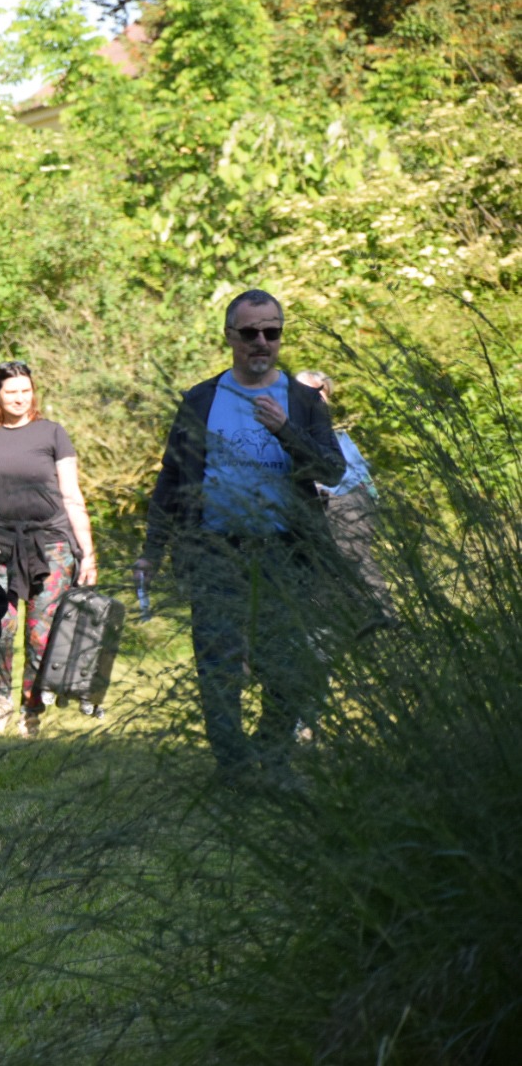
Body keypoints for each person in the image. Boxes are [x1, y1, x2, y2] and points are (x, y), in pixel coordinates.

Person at [134, 290, 344, 786]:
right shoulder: (201, 399)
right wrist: (151, 552)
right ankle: (234, 766)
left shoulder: (302, 402)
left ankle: (272, 757)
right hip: (215, 549)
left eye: (272, 332)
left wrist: (287, 431)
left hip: (285, 553)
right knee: (218, 664)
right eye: (250, 332)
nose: (261, 341)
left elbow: (333, 471)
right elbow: (172, 478)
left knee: (287, 667)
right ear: (230, 336)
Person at [0, 361, 98, 738]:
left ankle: (30, 710)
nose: (20, 398)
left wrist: (88, 552)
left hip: (51, 544)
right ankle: (0, 702)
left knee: (40, 633)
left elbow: (71, 494)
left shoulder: (53, 433)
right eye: (12, 391)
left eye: (26, 390)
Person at [294, 370, 394, 622]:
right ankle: (344, 627)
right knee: (322, 568)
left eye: (315, 393)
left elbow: (358, 474)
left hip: (346, 498)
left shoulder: (331, 431)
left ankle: (383, 621)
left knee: (354, 560)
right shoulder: (288, 426)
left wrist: (369, 499)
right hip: (313, 502)